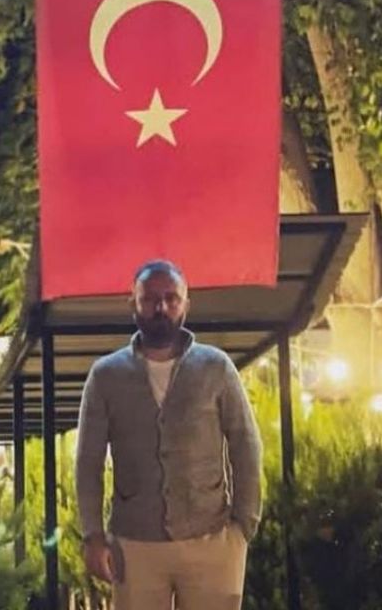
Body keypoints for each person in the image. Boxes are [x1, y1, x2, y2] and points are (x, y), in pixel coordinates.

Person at [75, 259, 262, 610]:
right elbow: (88, 462)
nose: (160, 307)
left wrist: (243, 526)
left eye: (171, 298)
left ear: (186, 304)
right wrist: (93, 535)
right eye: (149, 299)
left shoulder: (216, 367)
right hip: (134, 545)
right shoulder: (106, 375)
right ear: (133, 303)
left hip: (212, 540)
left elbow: (245, 444)